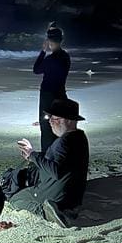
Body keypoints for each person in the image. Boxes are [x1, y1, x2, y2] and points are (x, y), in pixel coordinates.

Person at [8, 98, 89, 228]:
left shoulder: (63, 142)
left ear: (68, 120)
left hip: (55, 196)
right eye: (50, 117)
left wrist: (32, 154)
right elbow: (60, 164)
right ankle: (61, 208)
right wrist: (32, 156)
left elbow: (55, 171)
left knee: (16, 199)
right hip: (73, 197)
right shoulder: (80, 137)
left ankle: (45, 212)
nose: (50, 121)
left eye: (55, 118)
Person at [33, 22, 71, 152]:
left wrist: (43, 51)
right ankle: (59, 152)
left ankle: (47, 154)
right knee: (58, 126)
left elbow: (36, 69)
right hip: (60, 94)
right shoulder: (66, 57)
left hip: (48, 96)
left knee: (46, 126)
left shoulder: (50, 59)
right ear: (61, 40)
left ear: (49, 41)